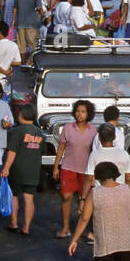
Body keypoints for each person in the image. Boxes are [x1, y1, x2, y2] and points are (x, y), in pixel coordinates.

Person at [53, 100, 98, 240]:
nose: (80, 114)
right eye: (78, 111)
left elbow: (95, 152)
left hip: (86, 170)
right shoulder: (68, 128)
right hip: (68, 167)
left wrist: (95, 173)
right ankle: (65, 228)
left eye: (83, 111)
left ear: (88, 114)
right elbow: (61, 148)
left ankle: (83, 229)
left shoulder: (93, 131)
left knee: (83, 200)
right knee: (66, 197)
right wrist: (56, 166)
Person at [1, 104, 43, 235]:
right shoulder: (38, 132)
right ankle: (26, 227)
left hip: (18, 169)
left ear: (21, 115)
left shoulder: (18, 131)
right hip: (33, 170)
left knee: (14, 196)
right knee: (29, 199)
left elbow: (12, 151)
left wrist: (6, 168)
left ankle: (13, 223)